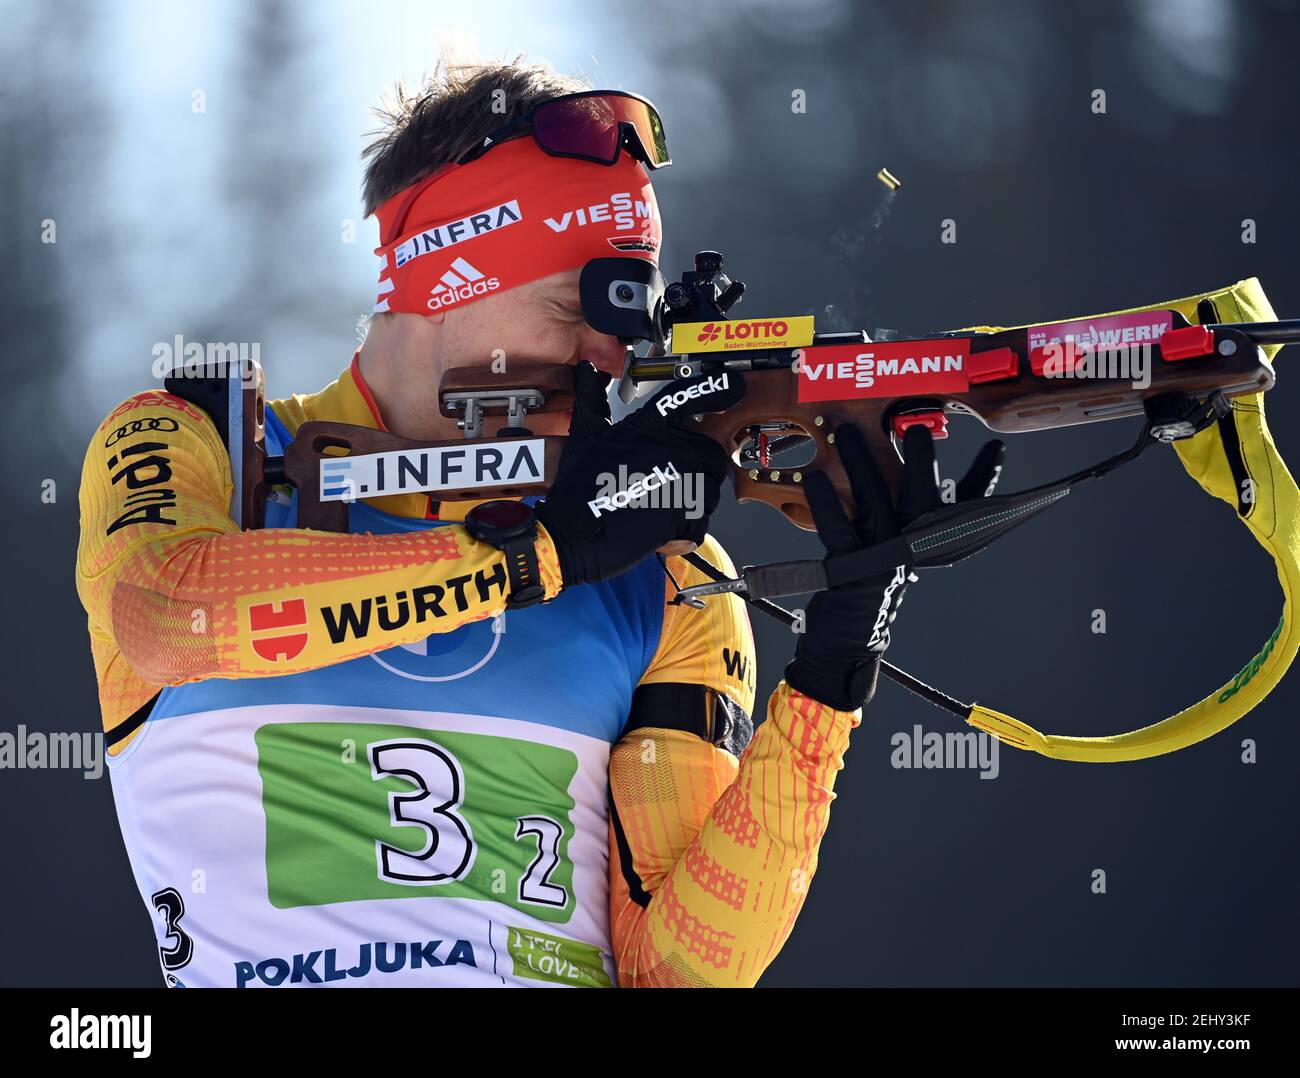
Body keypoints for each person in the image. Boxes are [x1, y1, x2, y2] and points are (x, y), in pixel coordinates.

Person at [75, 58, 998, 988]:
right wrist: (544, 551)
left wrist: (831, 679)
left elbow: (674, 972)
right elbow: (164, 619)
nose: (609, 358)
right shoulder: (200, 448)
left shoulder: (664, 577)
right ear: (446, 277)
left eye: (630, 321)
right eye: (577, 308)